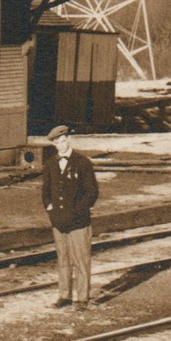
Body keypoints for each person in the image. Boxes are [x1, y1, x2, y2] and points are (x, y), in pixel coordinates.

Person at [41, 124, 99, 306]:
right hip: (58, 221)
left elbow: (91, 193)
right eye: (57, 142)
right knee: (63, 259)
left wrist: (75, 213)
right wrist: (51, 209)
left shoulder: (82, 162)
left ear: (69, 140)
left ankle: (82, 298)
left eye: (63, 140)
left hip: (78, 222)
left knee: (80, 260)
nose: (61, 144)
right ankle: (64, 295)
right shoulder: (50, 164)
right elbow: (46, 191)